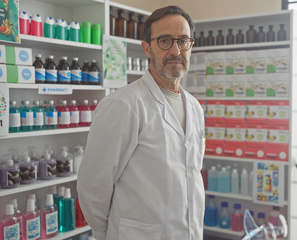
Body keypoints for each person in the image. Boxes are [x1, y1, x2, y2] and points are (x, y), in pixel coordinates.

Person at [77, 5, 205, 240]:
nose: (176, 50)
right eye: (165, 41)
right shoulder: (123, 105)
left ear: (191, 46)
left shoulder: (195, 108)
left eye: (183, 41)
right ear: (147, 48)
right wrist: (107, 234)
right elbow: (93, 185)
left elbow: (190, 174)